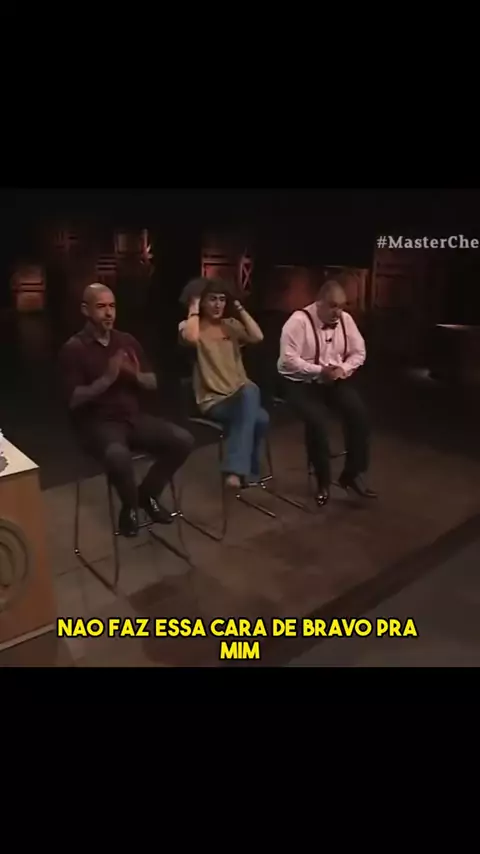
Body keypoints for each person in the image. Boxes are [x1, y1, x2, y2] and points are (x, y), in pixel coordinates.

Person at [58, 283, 194, 537]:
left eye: (112, 306)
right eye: (101, 307)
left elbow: (152, 382)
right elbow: (73, 399)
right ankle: (129, 507)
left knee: (183, 440)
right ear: (85, 310)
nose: (109, 313)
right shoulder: (74, 349)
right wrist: (107, 379)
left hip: (132, 419)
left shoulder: (126, 341)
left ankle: (147, 495)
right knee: (118, 456)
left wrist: (136, 375)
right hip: (98, 425)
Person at [277, 274, 377, 506]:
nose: (338, 312)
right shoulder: (298, 322)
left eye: (341, 306)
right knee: (317, 421)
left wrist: (343, 369)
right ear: (319, 303)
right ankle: (323, 481)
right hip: (299, 382)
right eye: (333, 306)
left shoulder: (345, 320)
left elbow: (359, 352)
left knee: (359, 414)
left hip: (331, 381)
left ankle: (352, 474)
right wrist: (319, 370)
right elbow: (288, 361)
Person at [178, 277, 268, 490]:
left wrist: (238, 306)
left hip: (239, 396)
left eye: (221, 299)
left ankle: (241, 471)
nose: (218, 304)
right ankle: (241, 470)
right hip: (214, 401)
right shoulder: (191, 326)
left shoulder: (231, 326)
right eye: (212, 299)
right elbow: (191, 338)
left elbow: (258, 336)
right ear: (202, 302)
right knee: (251, 397)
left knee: (261, 416)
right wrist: (193, 306)